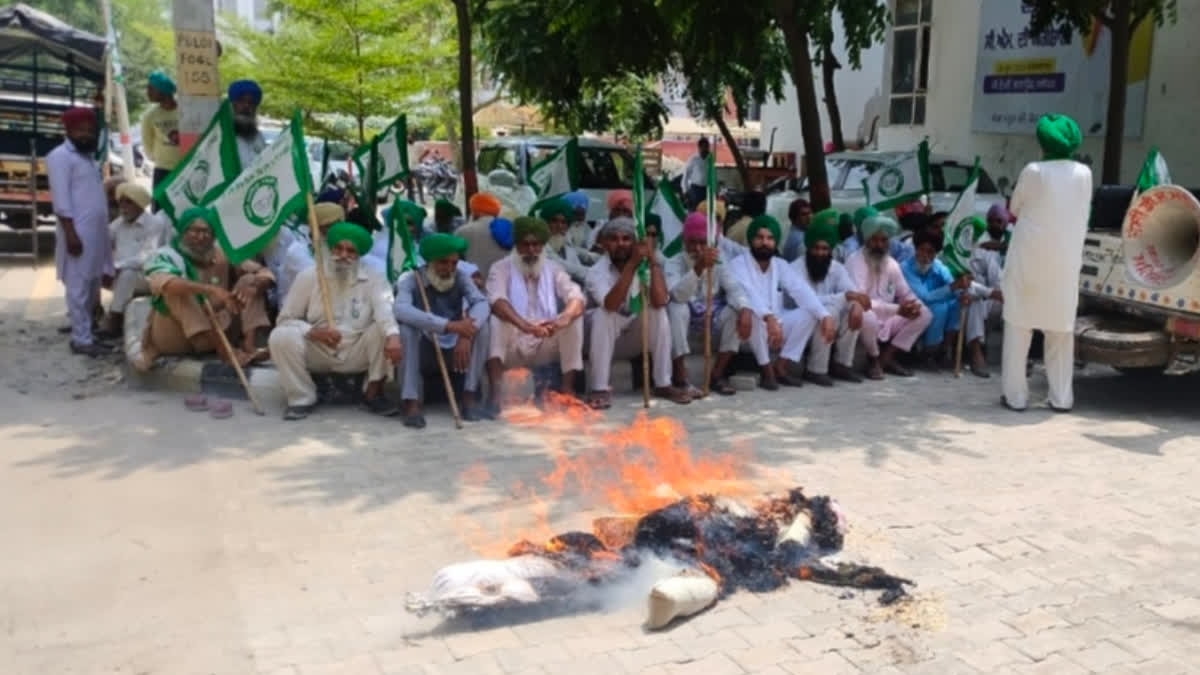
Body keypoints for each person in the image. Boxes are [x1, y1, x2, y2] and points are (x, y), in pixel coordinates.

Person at [1002, 114, 1092, 412]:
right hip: (1065, 265)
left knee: (1018, 330)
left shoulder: (1034, 171)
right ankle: (1061, 398)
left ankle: (1015, 398)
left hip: (1029, 262)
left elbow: (1015, 207)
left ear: (1042, 143)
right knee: (1060, 334)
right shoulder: (1084, 173)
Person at [269, 222, 404, 420]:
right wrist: (313, 332)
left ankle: (373, 393)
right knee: (281, 336)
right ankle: (301, 399)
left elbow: (385, 313)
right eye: (338, 248)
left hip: (356, 350)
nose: (343, 255)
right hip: (318, 348)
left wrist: (393, 336)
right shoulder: (309, 276)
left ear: (359, 255)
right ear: (330, 249)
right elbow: (285, 319)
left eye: (351, 251)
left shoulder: (374, 278)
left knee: (386, 331)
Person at [137, 207, 274, 370]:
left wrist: (256, 283)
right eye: (193, 231)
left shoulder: (221, 252)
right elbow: (167, 283)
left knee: (250, 280)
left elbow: (265, 273)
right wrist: (211, 290)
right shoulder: (166, 255)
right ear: (182, 232)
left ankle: (248, 346)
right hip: (177, 336)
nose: (200, 237)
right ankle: (228, 353)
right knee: (177, 292)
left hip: (218, 329)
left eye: (206, 232)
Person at [585, 217, 691, 408]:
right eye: (614, 239)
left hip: (633, 339)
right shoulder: (596, 272)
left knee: (658, 313)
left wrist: (653, 263)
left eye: (626, 239)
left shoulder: (644, 268)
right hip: (602, 340)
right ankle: (599, 387)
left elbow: (660, 301)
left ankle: (663, 383)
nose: (621, 244)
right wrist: (631, 266)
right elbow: (611, 305)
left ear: (634, 243)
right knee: (604, 315)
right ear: (605, 244)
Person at [485, 216, 586, 411]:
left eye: (536, 245)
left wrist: (562, 320)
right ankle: (496, 394)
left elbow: (576, 297)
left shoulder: (553, 268)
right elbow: (497, 301)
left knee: (574, 320)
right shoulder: (500, 268)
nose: (531, 251)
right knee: (497, 319)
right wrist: (525, 326)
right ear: (516, 244)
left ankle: (567, 391)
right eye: (526, 245)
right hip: (513, 343)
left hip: (544, 341)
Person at [725, 215, 835, 390]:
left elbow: (801, 291)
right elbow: (749, 295)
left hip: (775, 328)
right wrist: (769, 318)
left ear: (775, 243)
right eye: (760, 237)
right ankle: (766, 370)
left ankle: (781, 366)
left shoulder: (780, 265)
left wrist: (825, 316)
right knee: (754, 315)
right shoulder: (738, 264)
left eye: (770, 238)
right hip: (747, 333)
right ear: (751, 240)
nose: (764, 242)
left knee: (810, 314)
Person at [394, 233, 491, 427]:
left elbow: (481, 303)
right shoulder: (411, 280)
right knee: (406, 330)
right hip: (426, 345)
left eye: (454, 263)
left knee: (484, 328)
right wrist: (446, 325)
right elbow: (400, 309)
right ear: (430, 261)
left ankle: (469, 396)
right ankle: (411, 403)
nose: (449, 269)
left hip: (455, 346)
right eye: (443, 263)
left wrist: (467, 332)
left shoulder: (461, 277)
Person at [47, 107, 112, 356]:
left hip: (95, 234)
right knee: (78, 287)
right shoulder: (60, 157)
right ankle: (81, 339)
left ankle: (88, 332)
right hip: (78, 232)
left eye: (90, 130)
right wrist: (71, 234)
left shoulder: (87, 158)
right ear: (68, 130)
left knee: (91, 285)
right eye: (80, 130)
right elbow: (61, 200)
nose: (86, 134)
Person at [667, 213, 752, 396]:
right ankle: (680, 376)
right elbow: (677, 295)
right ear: (684, 241)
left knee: (735, 312)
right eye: (692, 242)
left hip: (711, 316)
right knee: (676, 308)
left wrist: (745, 308)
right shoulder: (674, 262)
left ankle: (716, 375)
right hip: (685, 320)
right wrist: (699, 268)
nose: (697, 248)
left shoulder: (719, 262)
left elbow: (735, 289)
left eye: (702, 242)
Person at [845, 215, 932, 379]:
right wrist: (898, 309)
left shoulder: (891, 263)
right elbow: (860, 300)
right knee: (867, 316)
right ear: (866, 240)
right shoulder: (855, 261)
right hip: (862, 314)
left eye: (884, 240)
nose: (879, 245)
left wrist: (913, 305)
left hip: (888, 317)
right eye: (874, 240)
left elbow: (905, 293)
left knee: (924, 313)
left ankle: (887, 358)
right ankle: (873, 358)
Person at [791, 215, 871, 386]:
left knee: (852, 310)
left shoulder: (836, 267)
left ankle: (842, 364)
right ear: (808, 247)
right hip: (800, 319)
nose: (820, 253)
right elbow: (806, 301)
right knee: (831, 311)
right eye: (816, 248)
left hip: (826, 321)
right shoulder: (796, 268)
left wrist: (856, 305)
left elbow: (851, 291)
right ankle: (816, 369)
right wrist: (843, 298)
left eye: (825, 248)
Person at [901, 228, 971, 369]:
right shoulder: (905, 268)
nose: (925, 256)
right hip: (909, 311)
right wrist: (953, 287)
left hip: (932, 311)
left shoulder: (939, 267)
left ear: (936, 253)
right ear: (916, 249)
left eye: (930, 252)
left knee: (957, 304)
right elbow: (923, 297)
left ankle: (944, 350)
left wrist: (962, 294)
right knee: (940, 308)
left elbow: (953, 286)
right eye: (922, 250)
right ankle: (929, 353)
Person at [103, 183, 162, 334]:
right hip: (120, 274)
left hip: (146, 276)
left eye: (128, 202)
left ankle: (114, 318)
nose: (123, 207)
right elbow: (103, 240)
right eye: (121, 202)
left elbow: (147, 257)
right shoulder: (119, 223)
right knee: (89, 269)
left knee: (128, 273)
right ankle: (92, 312)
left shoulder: (154, 224)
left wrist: (117, 266)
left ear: (140, 203)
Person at [277, 202, 347, 304]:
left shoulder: (332, 248)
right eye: (330, 226)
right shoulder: (297, 251)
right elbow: (321, 282)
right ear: (316, 228)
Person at [964, 216, 1005, 378]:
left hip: (987, 298)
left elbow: (997, 281)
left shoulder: (985, 251)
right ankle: (976, 354)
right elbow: (964, 283)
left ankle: (1016, 355)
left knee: (1011, 303)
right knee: (975, 300)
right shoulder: (956, 253)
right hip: (961, 302)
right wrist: (989, 292)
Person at [140, 70, 180, 195]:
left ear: (163, 90)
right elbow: (147, 144)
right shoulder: (149, 116)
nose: (148, 93)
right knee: (159, 210)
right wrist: (159, 159)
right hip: (162, 171)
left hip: (186, 169)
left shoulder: (186, 111)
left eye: (151, 89)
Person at [455, 192, 509, 279]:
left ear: (475, 212)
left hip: (476, 286)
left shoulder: (463, 231)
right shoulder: (509, 229)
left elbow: (454, 261)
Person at [540, 197, 592, 284]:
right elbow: (563, 265)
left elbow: (585, 255)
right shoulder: (540, 246)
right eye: (554, 221)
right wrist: (594, 274)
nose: (559, 226)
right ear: (546, 222)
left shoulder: (565, 244)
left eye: (563, 222)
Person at [228, 80, 266, 168]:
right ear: (232, 104)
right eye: (241, 101)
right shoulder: (222, 136)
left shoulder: (258, 137)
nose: (246, 106)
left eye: (251, 103)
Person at [682, 138, 711, 209]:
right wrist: (685, 191)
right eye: (704, 147)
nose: (706, 149)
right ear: (699, 147)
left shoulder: (710, 159)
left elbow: (712, 175)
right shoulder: (693, 159)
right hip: (695, 190)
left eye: (707, 147)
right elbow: (685, 176)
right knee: (695, 212)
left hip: (707, 190)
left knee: (705, 213)